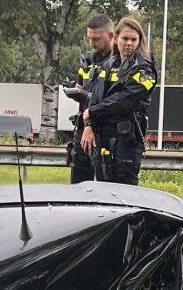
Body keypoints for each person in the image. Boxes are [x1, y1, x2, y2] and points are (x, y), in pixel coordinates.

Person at [85, 14, 157, 185]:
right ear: (116, 38)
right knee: (103, 189)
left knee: (126, 192)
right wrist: (89, 125)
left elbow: (123, 101)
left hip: (127, 140)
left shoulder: (145, 70)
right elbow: (95, 96)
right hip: (104, 138)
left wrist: (92, 112)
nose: (129, 43)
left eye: (134, 39)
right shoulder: (108, 65)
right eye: (125, 38)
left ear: (140, 41)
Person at [64, 12, 115, 184]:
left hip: (105, 131)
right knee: (78, 185)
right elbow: (81, 88)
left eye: (96, 39)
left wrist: (90, 125)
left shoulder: (118, 63)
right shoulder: (88, 61)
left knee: (106, 187)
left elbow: (111, 101)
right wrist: (74, 90)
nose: (92, 43)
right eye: (89, 38)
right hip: (82, 129)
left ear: (110, 36)